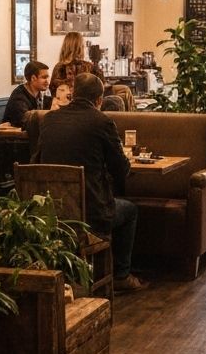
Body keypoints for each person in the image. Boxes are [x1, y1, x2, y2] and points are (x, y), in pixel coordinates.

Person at [33, 73, 147, 293]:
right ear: (99, 100)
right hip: (91, 216)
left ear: (73, 95)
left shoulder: (49, 119)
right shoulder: (102, 121)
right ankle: (121, 276)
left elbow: (36, 161)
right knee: (130, 210)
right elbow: (121, 170)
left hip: (50, 214)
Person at [2, 60, 50, 127]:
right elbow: (25, 119)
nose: (47, 81)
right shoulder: (18, 96)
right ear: (33, 78)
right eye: (44, 77)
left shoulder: (42, 93)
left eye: (48, 77)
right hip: (12, 136)